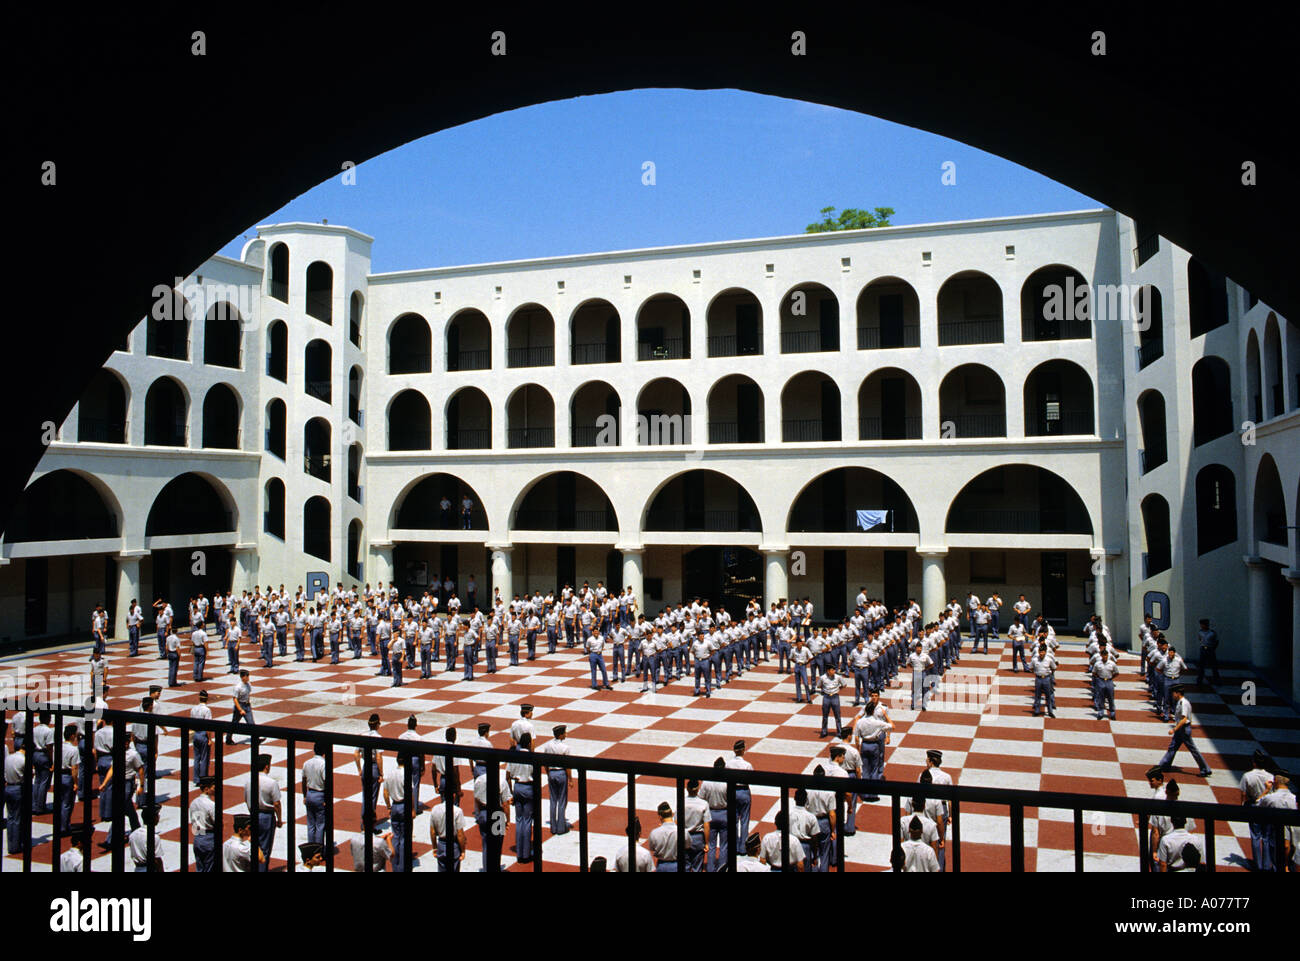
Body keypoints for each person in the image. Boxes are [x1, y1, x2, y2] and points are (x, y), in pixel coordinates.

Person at [1157, 686, 1211, 777]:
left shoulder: (1183, 703)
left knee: (1193, 749)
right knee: (1173, 746)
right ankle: (1164, 765)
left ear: (1178, 693)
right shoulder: (1180, 702)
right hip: (1181, 729)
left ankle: (1205, 769)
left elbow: (1184, 719)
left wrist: (1174, 729)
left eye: (1173, 693)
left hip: (1183, 729)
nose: (1172, 695)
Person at [245, 753, 282, 871]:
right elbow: (276, 803)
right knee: (264, 849)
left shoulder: (249, 782)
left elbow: (246, 799)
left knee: (254, 847)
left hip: (253, 814)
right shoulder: (271, 782)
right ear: (267, 766)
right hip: (266, 816)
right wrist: (279, 819)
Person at [508, 732, 538, 864]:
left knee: (519, 820)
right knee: (527, 821)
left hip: (517, 787)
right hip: (528, 787)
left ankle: (520, 853)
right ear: (529, 743)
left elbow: (507, 776)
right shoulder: (532, 757)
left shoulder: (515, 756)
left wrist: (510, 793)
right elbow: (536, 777)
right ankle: (525, 855)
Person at [540, 725, 571, 836]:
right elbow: (567, 765)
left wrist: (548, 772)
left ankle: (553, 826)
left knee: (553, 800)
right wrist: (570, 779)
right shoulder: (565, 747)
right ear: (561, 734)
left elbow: (545, 761)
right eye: (565, 733)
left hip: (552, 773)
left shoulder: (548, 746)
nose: (566, 734)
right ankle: (561, 827)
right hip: (561, 773)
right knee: (562, 800)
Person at [429, 787, 468, 872]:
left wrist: (434, 847)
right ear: (454, 796)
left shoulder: (435, 809)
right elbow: (460, 834)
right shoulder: (457, 811)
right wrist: (463, 851)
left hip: (441, 844)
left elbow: (432, 832)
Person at [727, 740, 754, 842]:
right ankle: (743, 846)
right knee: (744, 820)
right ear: (743, 750)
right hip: (744, 791)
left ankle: (735, 845)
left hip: (732, 791)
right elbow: (751, 779)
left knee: (733, 820)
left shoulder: (728, 764)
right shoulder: (747, 765)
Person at [190, 776, 218, 871]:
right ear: (206, 789)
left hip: (197, 837)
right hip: (209, 837)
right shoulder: (211, 805)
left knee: (200, 867)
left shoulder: (193, 802)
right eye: (213, 787)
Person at [128, 805, 164, 872]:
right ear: (154, 818)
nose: (158, 817)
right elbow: (157, 860)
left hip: (137, 869)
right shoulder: (154, 837)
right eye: (157, 815)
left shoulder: (132, 835)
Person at [647, 801, 679, 871]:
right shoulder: (681, 831)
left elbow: (652, 848)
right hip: (676, 864)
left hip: (662, 865)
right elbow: (688, 844)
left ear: (660, 816)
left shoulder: (654, 833)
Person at [227, 670, 254, 744]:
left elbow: (248, 694)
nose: (248, 677)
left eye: (248, 675)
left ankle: (255, 738)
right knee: (234, 724)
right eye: (247, 676)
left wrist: (248, 702)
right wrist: (240, 709)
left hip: (247, 705)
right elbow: (235, 699)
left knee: (251, 724)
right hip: (240, 705)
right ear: (242, 677)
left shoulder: (248, 684)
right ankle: (228, 738)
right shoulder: (238, 687)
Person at [818, 664, 844, 737]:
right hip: (826, 697)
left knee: (837, 716)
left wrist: (838, 689)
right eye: (832, 670)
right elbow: (819, 685)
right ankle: (824, 732)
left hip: (835, 696)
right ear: (828, 671)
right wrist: (825, 690)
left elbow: (844, 685)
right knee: (825, 716)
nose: (834, 671)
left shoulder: (838, 677)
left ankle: (839, 732)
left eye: (834, 670)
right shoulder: (823, 678)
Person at [1195, 618, 1221, 688]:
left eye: (1203, 624)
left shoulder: (1212, 633)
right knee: (1201, 666)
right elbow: (1200, 639)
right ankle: (1199, 680)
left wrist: (1213, 648)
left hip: (1210, 649)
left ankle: (1216, 680)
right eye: (1201, 625)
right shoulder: (1200, 632)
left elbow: (1216, 641)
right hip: (1203, 649)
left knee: (1213, 665)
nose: (1202, 626)